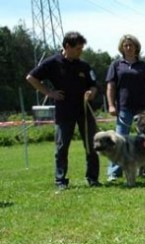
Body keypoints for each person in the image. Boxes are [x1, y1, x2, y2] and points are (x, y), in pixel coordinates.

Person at [26, 31, 100, 191]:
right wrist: (49, 93)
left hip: (84, 112)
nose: (81, 51)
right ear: (67, 46)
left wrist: (91, 93)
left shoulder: (84, 66)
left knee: (92, 145)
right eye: (78, 48)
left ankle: (92, 178)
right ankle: (60, 180)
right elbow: (31, 77)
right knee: (61, 147)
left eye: (82, 48)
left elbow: (94, 85)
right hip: (64, 111)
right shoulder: (52, 62)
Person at [105, 34, 145, 182]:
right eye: (125, 45)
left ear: (136, 47)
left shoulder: (144, 66)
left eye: (131, 45)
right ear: (122, 48)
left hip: (144, 109)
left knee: (144, 140)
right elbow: (110, 87)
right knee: (118, 141)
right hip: (124, 108)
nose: (128, 48)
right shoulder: (116, 65)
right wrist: (110, 104)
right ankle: (114, 173)